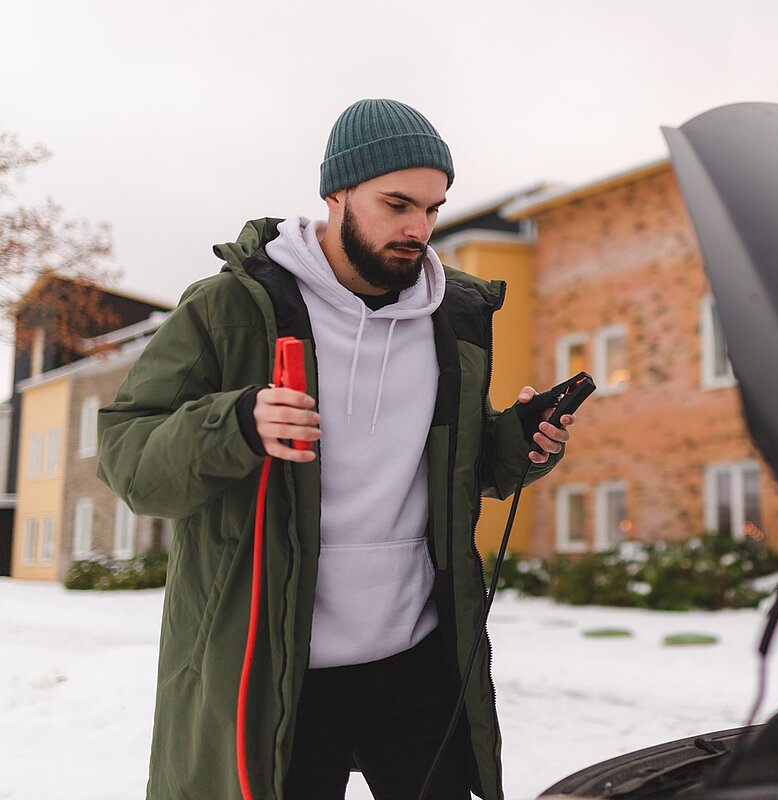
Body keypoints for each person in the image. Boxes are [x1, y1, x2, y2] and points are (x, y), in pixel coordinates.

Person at [97, 98, 574, 800]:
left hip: (418, 663)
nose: (419, 228)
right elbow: (128, 455)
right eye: (397, 204)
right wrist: (236, 425)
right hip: (275, 671)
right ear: (336, 194)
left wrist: (520, 441)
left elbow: (454, 472)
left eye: (435, 208)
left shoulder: (458, 317)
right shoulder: (230, 308)